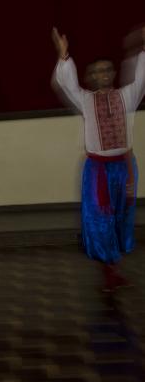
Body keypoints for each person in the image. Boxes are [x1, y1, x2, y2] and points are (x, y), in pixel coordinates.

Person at [51, 27, 144, 291]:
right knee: (100, 220)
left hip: (124, 168)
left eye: (106, 70)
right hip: (98, 171)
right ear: (89, 78)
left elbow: (142, 77)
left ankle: (114, 266)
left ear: (113, 74)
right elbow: (66, 83)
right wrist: (64, 55)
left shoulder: (128, 96)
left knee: (120, 217)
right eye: (95, 72)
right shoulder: (85, 100)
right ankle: (108, 270)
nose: (101, 75)